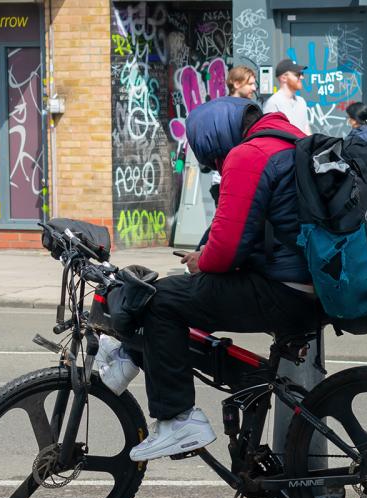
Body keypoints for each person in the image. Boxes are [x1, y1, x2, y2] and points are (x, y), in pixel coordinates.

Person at [96, 96, 322, 461]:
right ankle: (130, 356)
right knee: (174, 294)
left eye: (214, 158)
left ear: (217, 138)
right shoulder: (289, 140)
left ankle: (177, 419)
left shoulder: (248, 155)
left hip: (283, 293)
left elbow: (226, 251)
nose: (218, 165)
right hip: (308, 292)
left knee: (160, 300)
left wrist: (203, 260)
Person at [210, 65, 261, 203]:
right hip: (231, 180)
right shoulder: (243, 111)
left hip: (226, 178)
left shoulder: (218, 107)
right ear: (237, 84)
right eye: (250, 84)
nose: (254, 88)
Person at [263, 58, 312, 135]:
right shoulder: (273, 103)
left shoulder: (301, 101)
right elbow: (270, 136)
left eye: (302, 74)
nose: (302, 77)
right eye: (297, 74)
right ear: (283, 78)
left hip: (303, 146)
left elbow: (306, 130)